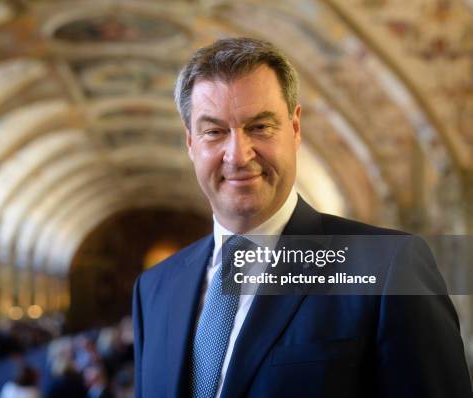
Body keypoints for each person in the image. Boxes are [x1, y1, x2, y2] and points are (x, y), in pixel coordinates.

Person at [132, 37, 472, 397]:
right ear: (190, 143)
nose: (238, 154)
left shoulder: (386, 265)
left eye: (259, 127)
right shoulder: (154, 289)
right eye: (215, 132)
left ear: (295, 128)